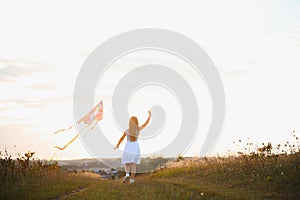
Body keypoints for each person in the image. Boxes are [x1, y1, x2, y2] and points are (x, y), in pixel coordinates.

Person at [114, 110, 152, 184]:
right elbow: (145, 124)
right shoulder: (138, 129)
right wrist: (149, 116)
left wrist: (117, 145)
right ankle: (132, 180)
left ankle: (127, 174)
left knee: (127, 162)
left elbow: (122, 138)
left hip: (128, 146)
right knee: (133, 164)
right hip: (135, 146)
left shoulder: (127, 130)